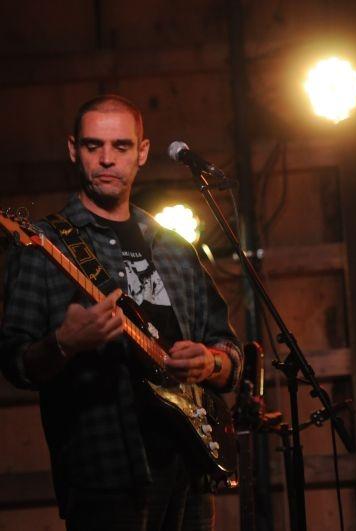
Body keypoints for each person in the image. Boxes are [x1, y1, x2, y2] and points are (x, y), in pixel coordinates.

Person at [0, 95, 242, 530]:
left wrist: (211, 362)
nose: (107, 159)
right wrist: (63, 344)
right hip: (106, 474)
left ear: (142, 152)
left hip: (191, 467)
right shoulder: (44, 246)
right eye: (93, 146)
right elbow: (15, 362)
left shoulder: (174, 247)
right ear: (73, 149)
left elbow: (229, 349)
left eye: (122, 146)